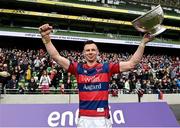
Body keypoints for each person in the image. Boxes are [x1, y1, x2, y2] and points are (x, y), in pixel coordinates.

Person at [39, 24, 154, 128]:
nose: (90, 52)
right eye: (87, 50)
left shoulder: (106, 67)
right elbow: (56, 57)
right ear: (83, 53)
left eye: (93, 50)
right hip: (84, 119)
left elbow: (131, 64)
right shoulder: (77, 68)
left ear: (97, 52)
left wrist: (143, 43)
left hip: (102, 119)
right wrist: (46, 38)